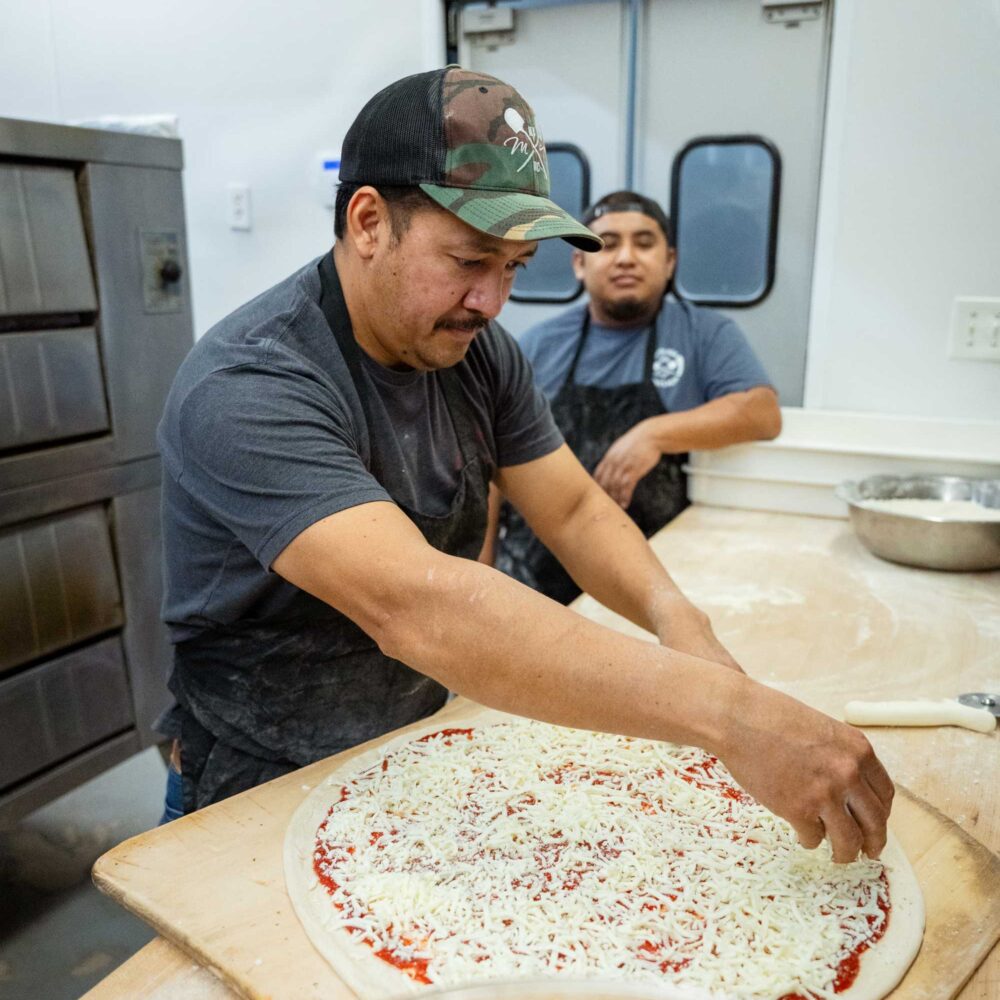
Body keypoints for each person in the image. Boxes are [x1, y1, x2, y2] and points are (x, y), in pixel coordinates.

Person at [156, 66, 892, 864]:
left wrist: (679, 619)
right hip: (258, 773)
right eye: (470, 260)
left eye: (514, 267)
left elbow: (572, 510)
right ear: (369, 221)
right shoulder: (251, 383)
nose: (492, 301)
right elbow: (421, 609)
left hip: (406, 743)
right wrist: (730, 715)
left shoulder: (475, 354)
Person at [492, 191, 782, 604]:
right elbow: (491, 467)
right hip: (536, 580)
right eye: (607, 244)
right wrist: (480, 571)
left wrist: (654, 434)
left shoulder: (705, 335)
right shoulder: (538, 345)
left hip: (654, 580)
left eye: (644, 243)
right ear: (579, 263)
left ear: (669, 262)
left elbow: (762, 412)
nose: (626, 257)